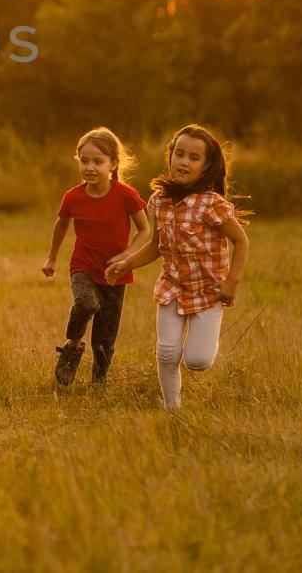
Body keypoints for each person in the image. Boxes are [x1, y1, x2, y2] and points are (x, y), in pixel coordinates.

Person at [106, 124, 250, 410]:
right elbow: (156, 247)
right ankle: (172, 409)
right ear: (170, 157)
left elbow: (241, 241)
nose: (184, 162)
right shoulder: (159, 201)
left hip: (208, 292)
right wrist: (126, 263)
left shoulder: (212, 205)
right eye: (179, 154)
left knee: (197, 360)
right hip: (171, 287)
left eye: (193, 158)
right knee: (168, 353)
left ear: (206, 166)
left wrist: (232, 281)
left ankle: (202, 346)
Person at [40, 127, 149, 386]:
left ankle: (98, 385)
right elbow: (61, 225)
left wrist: (126, 257)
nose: (90, 167)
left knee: (105, 339)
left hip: (116, 275)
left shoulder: (126, 195)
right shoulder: (73, 197)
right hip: (83, 268)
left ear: (112, 164)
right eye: (84, 161)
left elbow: (145, 230)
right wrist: (52, 258)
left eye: (98, 162)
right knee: (86, 303)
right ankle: (72, 347)